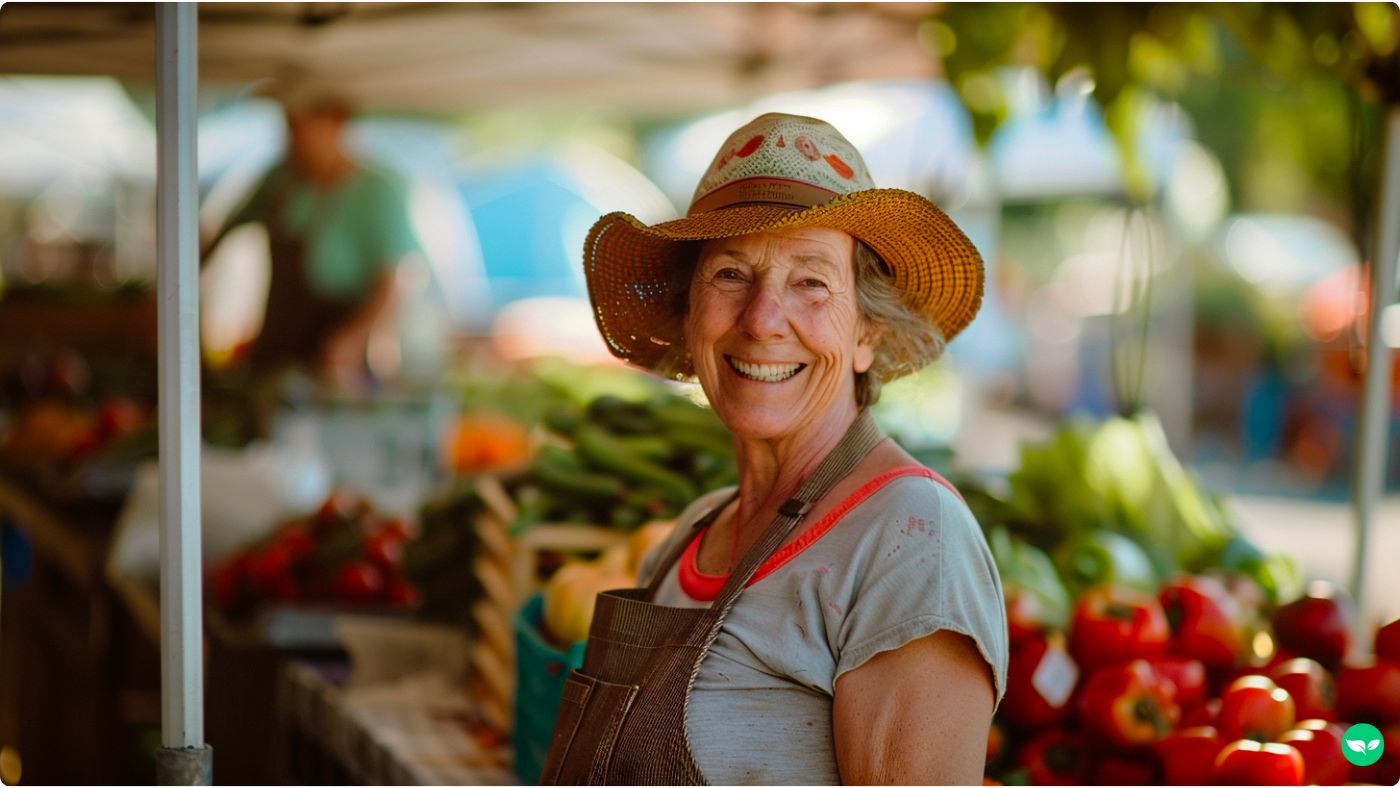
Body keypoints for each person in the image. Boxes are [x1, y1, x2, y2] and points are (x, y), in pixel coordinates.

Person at [543, 113, 1008, 785]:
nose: (762, 319)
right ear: (688, 312)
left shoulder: (910, 543)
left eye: (811, 282)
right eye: (730, 274)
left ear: (866, 336)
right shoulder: (689, 535)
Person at [204, 92, 424, 391]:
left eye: (299, 128)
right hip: (279, 340)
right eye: (288, 127)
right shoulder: (280, 180)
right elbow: (218, 233)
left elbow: (396, 279)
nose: (291, 140)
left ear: (335, 120)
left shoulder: (377, 191)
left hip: (336, 347)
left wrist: (352, 339)